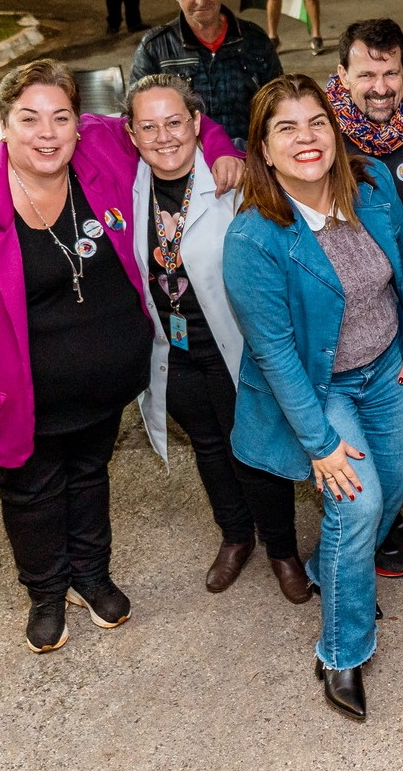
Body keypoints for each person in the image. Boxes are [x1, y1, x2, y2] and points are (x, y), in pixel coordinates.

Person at [0, 60, 240, 654]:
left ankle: (90, 574)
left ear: (80, 124)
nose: (47, 132)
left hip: (104, 382)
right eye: (29, 119)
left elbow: (176, 123)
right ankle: (46, 592)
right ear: (2, 124)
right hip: (18, 390)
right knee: (31, 489)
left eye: (61, 117)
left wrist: (218, 146)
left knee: (89, 473)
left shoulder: (101, 148)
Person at [223, 74, 403, 722]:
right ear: (264, 147)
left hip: (386, 370)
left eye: (315, 121)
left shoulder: (368, 186)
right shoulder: (255, 239)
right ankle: (341, 653)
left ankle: (331, 566)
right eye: (285, 127)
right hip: (323, 388)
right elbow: (276, 353)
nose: (306, 138)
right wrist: (319, 444)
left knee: (392, 487)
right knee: (357, 501)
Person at [124, 73, 304, 602]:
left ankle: (281, 549)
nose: (164, 137)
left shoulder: (235, 179)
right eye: (149, 126)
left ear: (197, 124)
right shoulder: (124, 182)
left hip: (237, 347)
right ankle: (234, 536)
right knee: (207, 446)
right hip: (173, 349)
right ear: (131, 134)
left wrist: (226, 146)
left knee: (253, 448)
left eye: (175, 122)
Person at [130, 0, 283, 147]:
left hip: (251, 160)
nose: (201, 0)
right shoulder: (155, 48)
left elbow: (282, 106)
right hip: (185, 165)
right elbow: (136, 117)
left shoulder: (255, 40)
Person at [327, 19, 403, 227]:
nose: (381, 89)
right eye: (366, 75)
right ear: (344, 76)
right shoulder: (321, 129)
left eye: (390, 74)